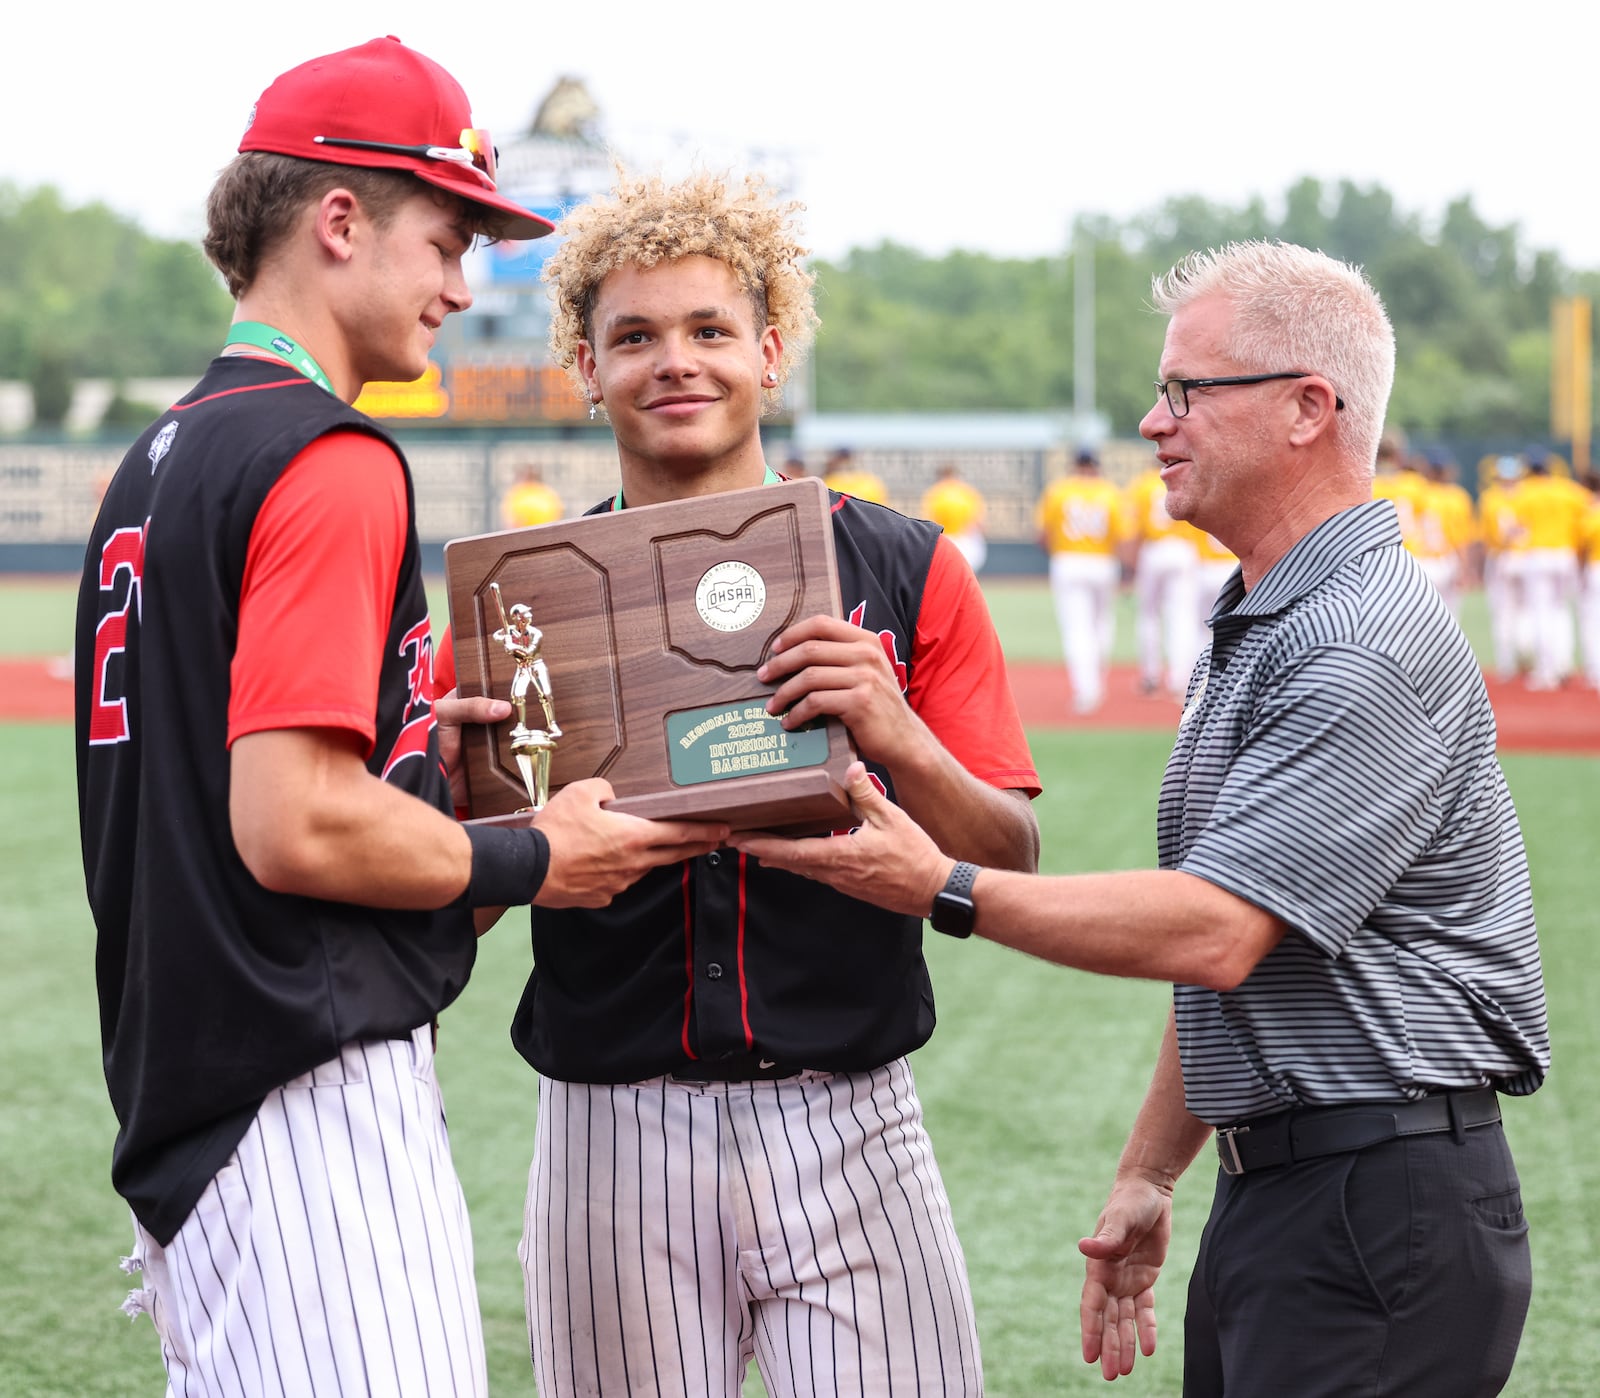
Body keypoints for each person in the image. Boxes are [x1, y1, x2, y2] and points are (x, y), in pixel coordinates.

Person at [735, 241, 1549, 1397]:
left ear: (1306, 410)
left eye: (1185, 392)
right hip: (1302, 1186)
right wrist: (1153, 1173)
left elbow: (1218, 930)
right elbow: (1251, 960)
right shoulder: (1273, 610)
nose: (1153, 422)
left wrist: (943, 887)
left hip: (1381, 1198)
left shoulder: (1355, 636)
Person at [73, 38, 724, 1397]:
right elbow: (294, 819)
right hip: (305, 1095)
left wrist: (426, 777)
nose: (459, 283)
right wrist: (537, 854)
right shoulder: (330, 454)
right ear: (340, 219)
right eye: (445, 237)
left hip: (191, 1094)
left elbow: (234, 787)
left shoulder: (164, 451)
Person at [434, 168, 1041, 1397]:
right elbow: (462, 911)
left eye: (710, 330)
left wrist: (900, 733)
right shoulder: (515, 604)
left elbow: (1009, 861)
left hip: (852, 1115)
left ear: (769, 352)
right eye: (635, 336)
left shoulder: (904, 566)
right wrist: (470, 814)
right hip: (614, 1128)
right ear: (585, 367)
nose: (676, 363)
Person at [1035, 447, 1131, 713]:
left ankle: (1087, 691)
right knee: (1101, 622)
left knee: (1077, 628)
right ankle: (1097, 677)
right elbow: (1122, 536)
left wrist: (1056, 552)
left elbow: (1043, 535)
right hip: (1103, 562)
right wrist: (1126, 572)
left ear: (1074, 464)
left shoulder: (1058, 490)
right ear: (1096, 466)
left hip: (1068, 561)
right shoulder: (1110, 491)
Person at [1508, 449, 1587, 689]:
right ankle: (1564, 664)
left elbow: (1515, 529)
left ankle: (1546, 672)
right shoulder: (1568, 489)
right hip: (1565, 555)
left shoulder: (1525, 492)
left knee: (1540, 613)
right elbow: (1585, 516)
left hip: (1538, 556)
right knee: (1561, 610)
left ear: (1530, 469)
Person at [1124, 459, 1202, 699]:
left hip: (1154, 550)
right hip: (1183, 550)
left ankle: (1150, 675)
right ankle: (1180, 678)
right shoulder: (1188, 478)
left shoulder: (1143, 484)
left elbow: (1132, 529)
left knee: (1148, 615)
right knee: (1182, 616)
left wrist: (1132, 567)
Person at [919, 459, 989, 572]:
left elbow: (928, 523)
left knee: (947, 574)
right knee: (966, 575)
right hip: (967, 540)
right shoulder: (967, 492)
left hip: (945, 539)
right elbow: (979, 523)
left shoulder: (935, 493)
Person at [500, 461, 564, 528]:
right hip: (525, 532)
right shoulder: (516, 493)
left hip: (543, 531)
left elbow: (555, 514)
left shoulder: (546, 492)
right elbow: (512, 519)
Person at [822, 444, 890, 503]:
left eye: (846, 459)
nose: (844, 463)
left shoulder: (869, 482)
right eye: (841, 459)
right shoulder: (828, 481)